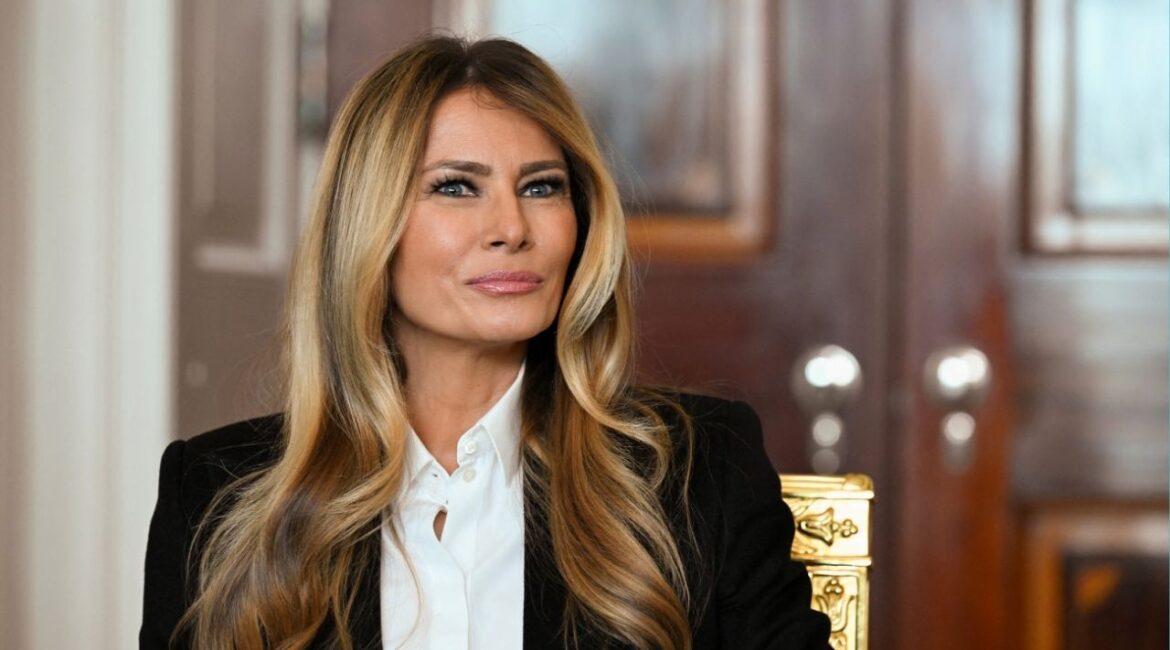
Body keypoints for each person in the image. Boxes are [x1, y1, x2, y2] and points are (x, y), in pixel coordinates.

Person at [140, 35, 830, 650]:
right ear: (368, 225)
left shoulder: (699, 473)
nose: (511, 227)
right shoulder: (214, 495)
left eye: (541, 187)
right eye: (456, 187)